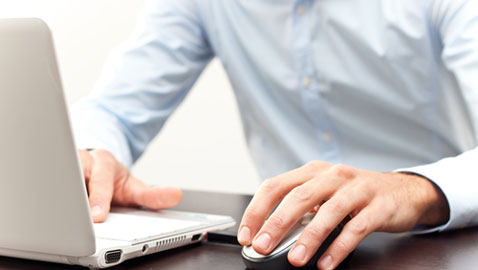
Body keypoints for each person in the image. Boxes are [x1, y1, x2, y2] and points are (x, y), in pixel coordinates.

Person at [71, 0, 478, 269]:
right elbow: (115, 109)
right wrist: (93, 153)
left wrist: (412, 190)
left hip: (430, 243)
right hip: (284, 238)